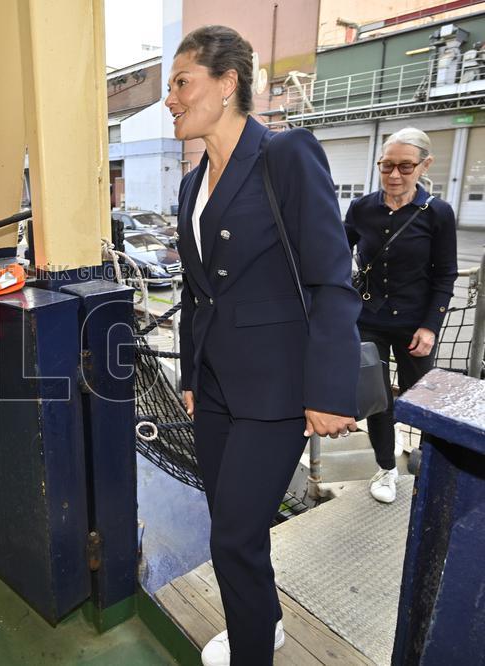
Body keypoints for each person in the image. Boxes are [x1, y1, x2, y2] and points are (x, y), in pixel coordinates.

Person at [167, 26, 361, 665]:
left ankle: (253, 650)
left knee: (233, 534)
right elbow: (199, 295)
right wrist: (192, 376)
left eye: (181, 83)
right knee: (229, 518)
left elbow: (331, 278)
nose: (171, 99)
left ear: (226, 85)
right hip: (218, 386)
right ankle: (266, 620)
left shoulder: (286, 155)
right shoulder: (193, 184)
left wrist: (330, 390)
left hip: (279, 390)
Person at [345, 128, 458, 504]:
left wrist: (431, 326)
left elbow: (445, 275)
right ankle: (386, 467)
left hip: (415, 325)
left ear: (424, 165)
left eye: (405, 166)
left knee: (424, 400)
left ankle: (428, 462)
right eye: (387, 166)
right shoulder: (361, 208)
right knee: (377, 399)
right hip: (369, 321)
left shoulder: (438, 213)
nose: (395, 175)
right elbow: (333, 254)